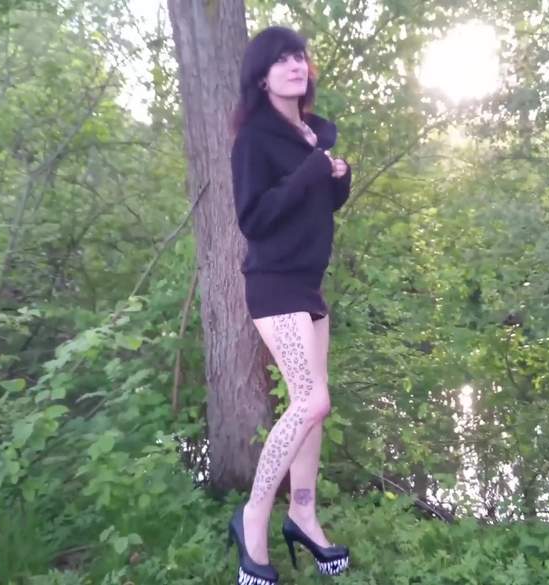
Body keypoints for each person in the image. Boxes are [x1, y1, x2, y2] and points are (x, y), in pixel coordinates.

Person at [225, 25, 352, 585]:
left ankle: (302, 514)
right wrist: (311, 170)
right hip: (274, 284)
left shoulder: (311, 134)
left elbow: (312, 207)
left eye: (299, 56)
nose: (295, 65)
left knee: (316, 410)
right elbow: (254, 218)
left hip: (308, 284)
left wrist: (337, 179)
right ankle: (253, 516)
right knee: (311, 400)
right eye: (281, 60)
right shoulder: (254, 139)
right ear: (262, 77)